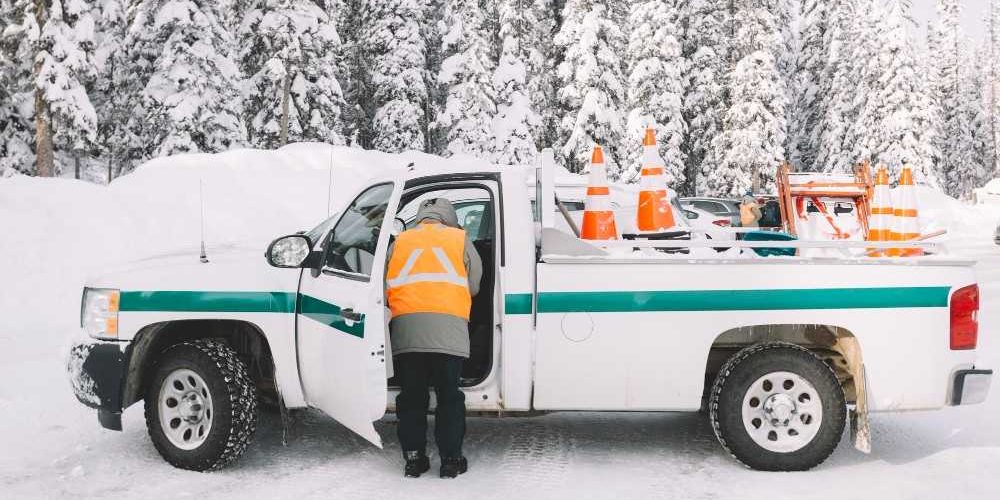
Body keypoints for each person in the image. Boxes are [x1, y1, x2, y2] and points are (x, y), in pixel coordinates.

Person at [385, 198, 483, 479]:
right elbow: (474, 285)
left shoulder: (400, 241)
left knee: (412, 396)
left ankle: (414, 459)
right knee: (449, 396)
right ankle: (451, 460)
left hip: (407, 331)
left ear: (421, 216)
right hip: (449, 331)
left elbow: (384, 284)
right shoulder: (459, 239)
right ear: (449, 217)